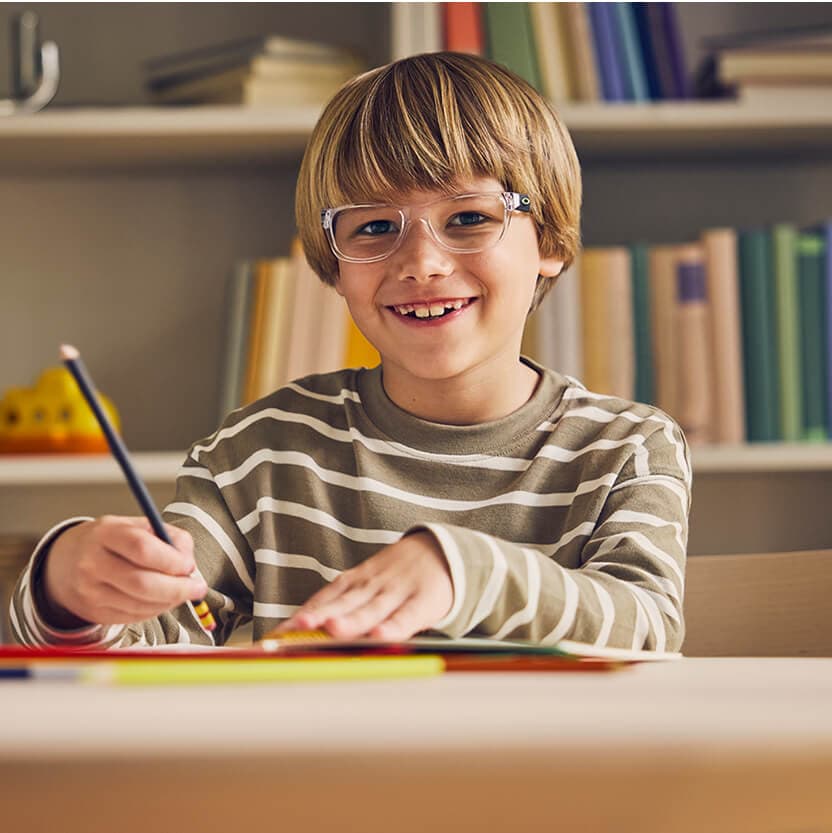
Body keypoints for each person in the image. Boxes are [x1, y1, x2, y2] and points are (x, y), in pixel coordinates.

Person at [10, 52, 690, 652]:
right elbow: (156, 633)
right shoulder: (261, 453)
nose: (421, 262)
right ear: (333, 265)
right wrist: (66, 589)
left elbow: (645, 623)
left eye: (469, 218)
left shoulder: (626, 447)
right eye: (373, 226)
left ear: (550, 243)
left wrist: (466, 573)